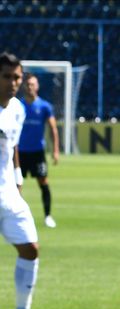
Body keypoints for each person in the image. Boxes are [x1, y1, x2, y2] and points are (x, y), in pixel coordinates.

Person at [0, 52, 50, 309]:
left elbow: (13, 147)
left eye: (16, 77)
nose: (13, 82)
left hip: (8, 194)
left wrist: (17, 178)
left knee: (30, 249)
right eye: (7, 76)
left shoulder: (18, 108)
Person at [19, 72, 57, 229]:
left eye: (33, 84)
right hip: (19, 153)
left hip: (37, 152)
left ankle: (48, 216)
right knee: (16, 185)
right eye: (28, 84)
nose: (30, 87)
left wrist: (55, 150)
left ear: (38, 86)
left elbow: (53, 128)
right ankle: (15, 216)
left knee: (43, 182)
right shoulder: (17, 105)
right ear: (24, 86)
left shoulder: (45, 106)